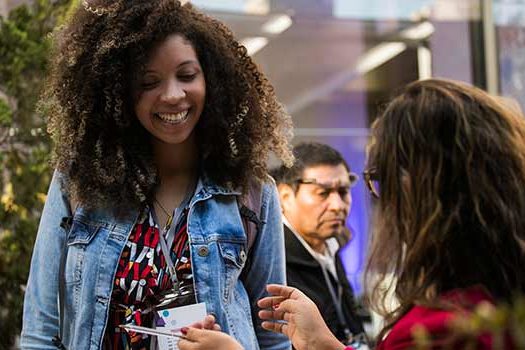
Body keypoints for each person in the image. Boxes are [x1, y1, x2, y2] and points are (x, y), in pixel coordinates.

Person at [20, 1, 293, 349]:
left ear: (212, 78)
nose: (172, 95)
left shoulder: (250, 193)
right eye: (149, 81)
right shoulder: (79, 183)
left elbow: (274, 339)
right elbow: (40, 332)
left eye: (187, 75)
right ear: (119, 92)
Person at [180, 79, 525, 349]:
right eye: (323, 192)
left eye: (351, 188)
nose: (339, 205)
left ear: (417, 188)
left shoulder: (439, 329)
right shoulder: (494, 300)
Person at [270, 142, 365, 344]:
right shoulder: (274, 263)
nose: (337, 206)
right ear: (285, 196)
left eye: (343, 191)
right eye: (323, 193)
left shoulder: (331, 245)